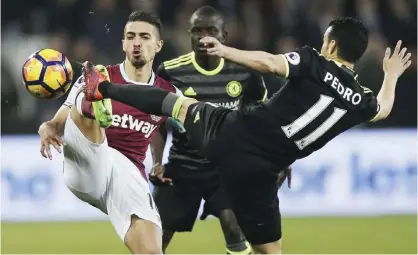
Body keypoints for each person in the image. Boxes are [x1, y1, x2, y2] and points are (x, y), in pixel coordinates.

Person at [81, 17, 412, 254]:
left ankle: (104, 88)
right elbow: (383, 107)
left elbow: (269, 63)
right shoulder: (361, 101)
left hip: (232, 134)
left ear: (331, 44)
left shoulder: (314, 62)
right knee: (269, 251)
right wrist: (391, 75)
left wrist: (226, 52)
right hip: (263, 173)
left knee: (176, 104)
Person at [38, 11, 181, 254]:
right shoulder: (98, 74)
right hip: (88, 163)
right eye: (131, 36)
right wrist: (47, 127)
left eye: (145, 37)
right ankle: (94, 104)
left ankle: (96, 103)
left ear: (158, 45)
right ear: (123, 43)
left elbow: (173, 131)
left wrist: (159, 163)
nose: (137, 42)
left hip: (128, 175)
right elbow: (56, 122)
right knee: (87, 98)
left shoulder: (169, 93)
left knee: (152, 252)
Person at [149, 6, 267, 254]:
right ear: (189, 33)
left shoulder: (244, 70)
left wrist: (276, 159)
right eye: (197, 31)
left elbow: (261, 119)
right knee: (156, 238)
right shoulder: (170, 72)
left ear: (223, 35)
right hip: (182, 166)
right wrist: (157, 161)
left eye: (211, 31)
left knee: (233, 227)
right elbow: (157, 122)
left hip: (226, 168)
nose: (204, 38)